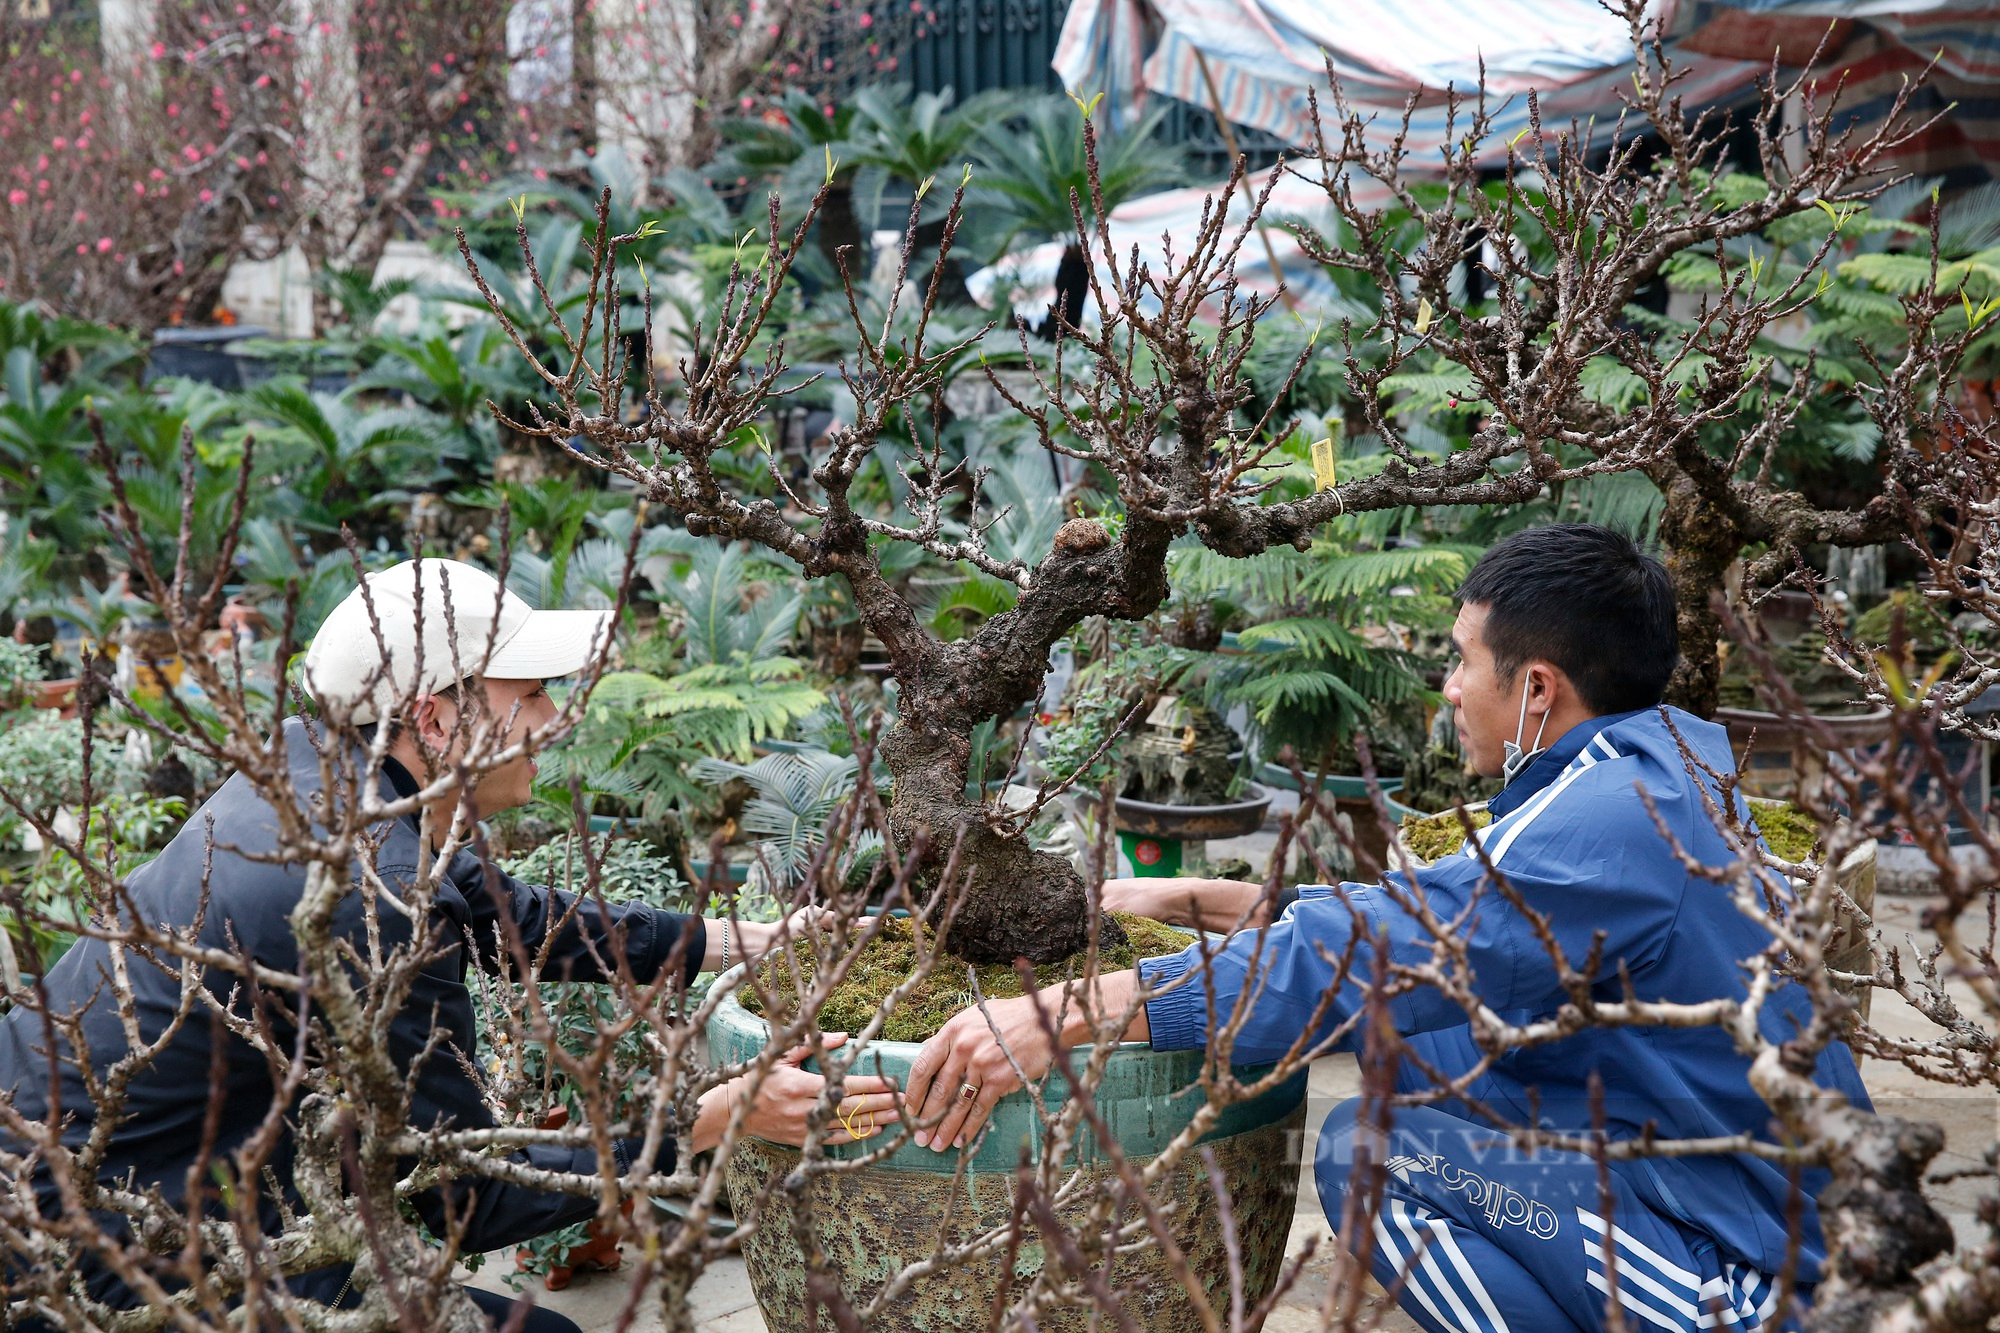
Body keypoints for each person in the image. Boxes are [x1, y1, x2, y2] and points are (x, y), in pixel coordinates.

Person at [903, 524, 1872, 1333]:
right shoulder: (1644, 772)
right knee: (1405, 1049)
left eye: (1461, 660)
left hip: (1759, 1272)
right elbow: (1437, 931)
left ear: (1536, 688)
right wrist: (1218, 902)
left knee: (1366, 1153)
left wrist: (1071, 1010)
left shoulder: (1609, 823)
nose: (1448, 686)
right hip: (1720, 1180)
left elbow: (1396, 950)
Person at [0, 559, 895, 1332]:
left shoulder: (323, 769)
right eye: (532, 694)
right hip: (92, 1249)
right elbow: (469, 1187)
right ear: (434, 718)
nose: (554, 717)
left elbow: (511, 915)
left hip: (117, 1172)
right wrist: (719, 1116)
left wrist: (755, 939)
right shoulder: (370, 893)